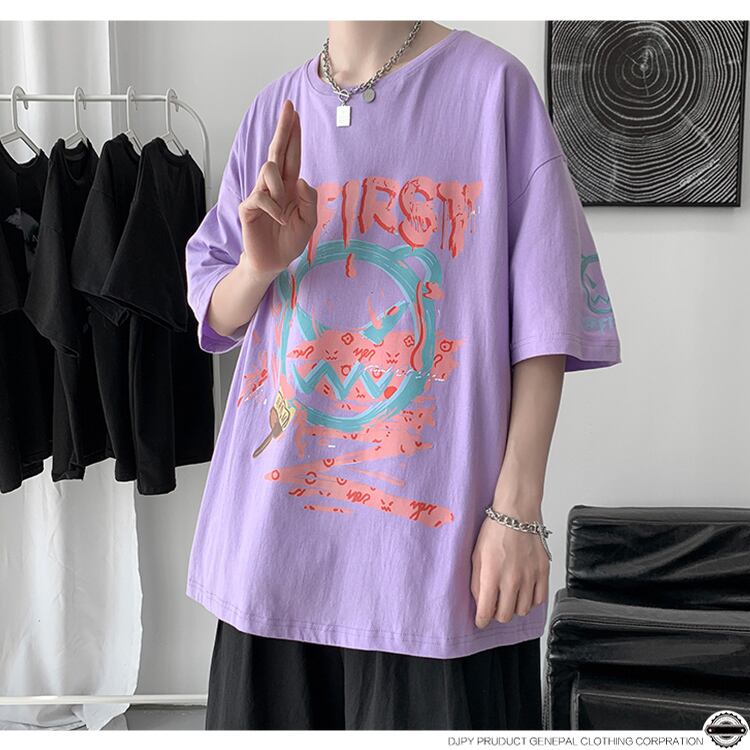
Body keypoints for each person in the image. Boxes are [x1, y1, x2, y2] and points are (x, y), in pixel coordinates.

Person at [184, 20, 622, 730]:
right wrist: (259, 267)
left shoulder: (494, 90)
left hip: (435, 568)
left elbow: (546, 318)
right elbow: (216, 306)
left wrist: (517, 512)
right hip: (273, 555)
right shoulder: (274, 110)